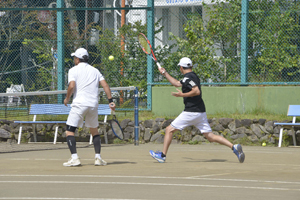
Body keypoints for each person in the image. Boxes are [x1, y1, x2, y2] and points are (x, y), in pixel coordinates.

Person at [149, 57, 245, 163]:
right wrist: (165, 73)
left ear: (181, 67)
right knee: (210, 136)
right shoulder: (192, 76)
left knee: (169, 130)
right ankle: (234, 147)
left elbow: (196, 91)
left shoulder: (188, 78)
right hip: (200, 112)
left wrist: (182, 95)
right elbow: (177, 83)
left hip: (191, 112)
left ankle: (162, 156)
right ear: (191, 66)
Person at [63, 47, 116, 167]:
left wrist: (67, 98)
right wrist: (111, 101)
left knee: (69, 131)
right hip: (93, 105)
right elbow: (105, 85)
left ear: (77, 59)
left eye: (74, 58)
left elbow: (71, 86)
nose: (74, 60)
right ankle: (98, 158)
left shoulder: (73, 70)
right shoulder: (95, 71)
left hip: (79, 104)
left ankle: (75, 158)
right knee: (94, 131)